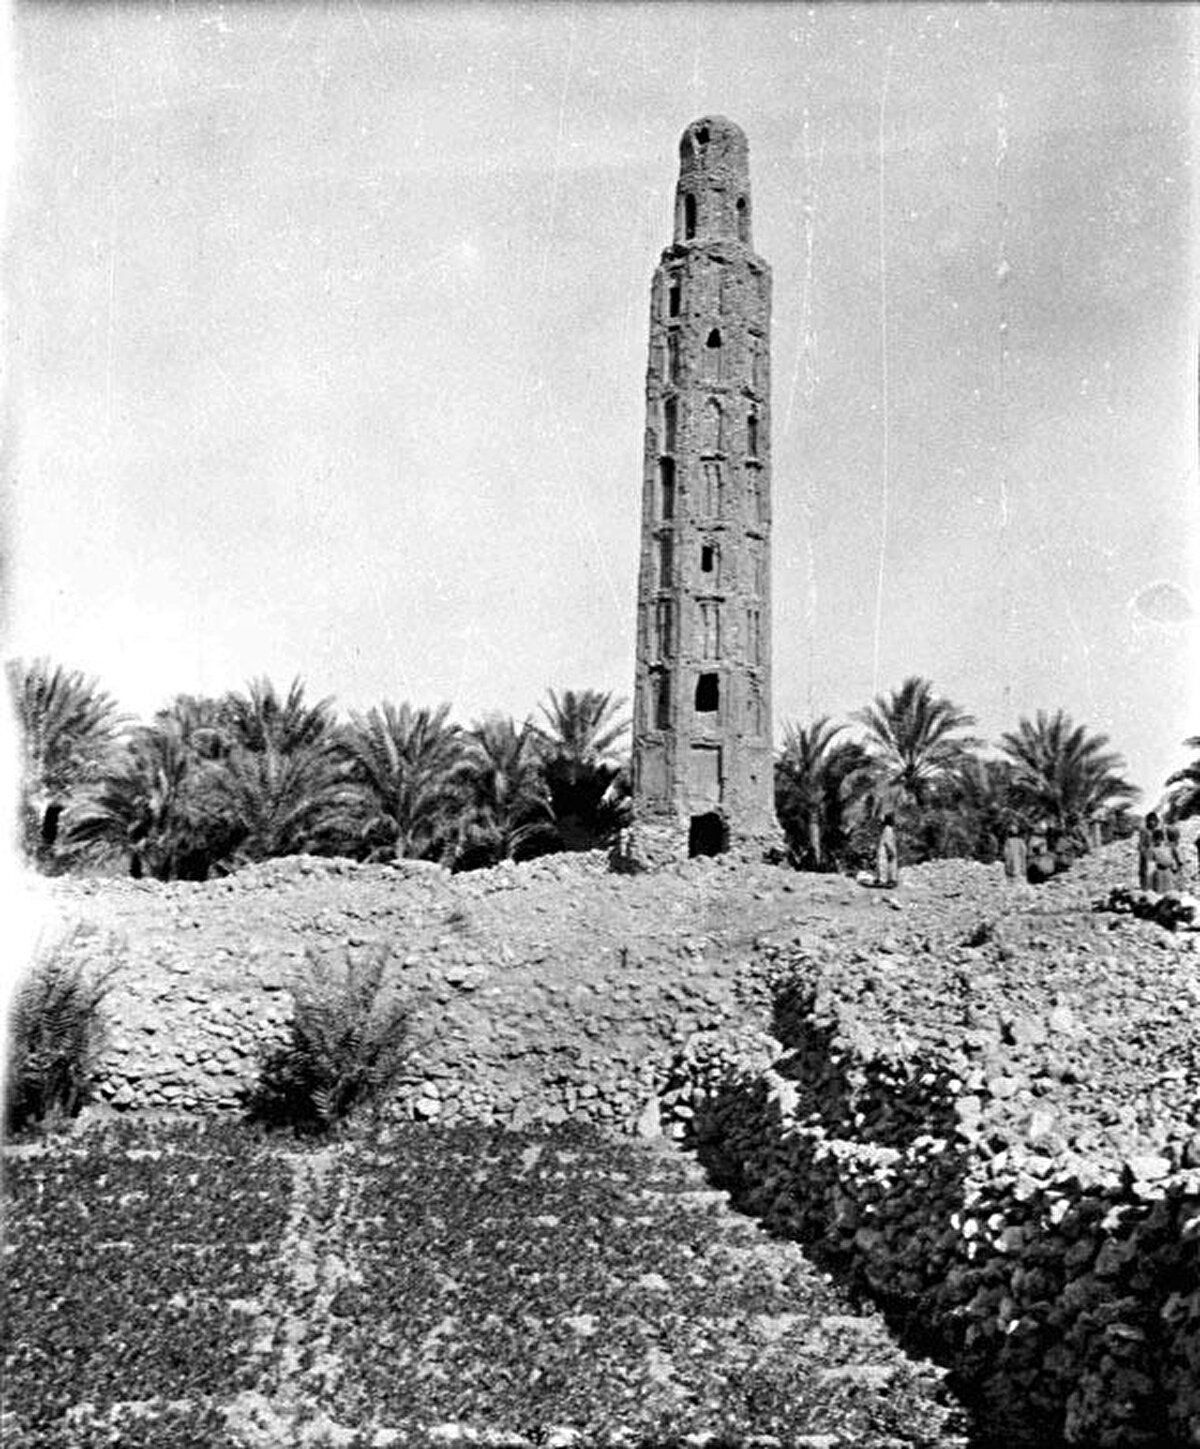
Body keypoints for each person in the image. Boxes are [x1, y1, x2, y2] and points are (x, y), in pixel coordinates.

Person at [1137, 811, 1160, 890]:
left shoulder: (1157, 831)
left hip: (1155, 854)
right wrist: (1144, 854)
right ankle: (1145, 887)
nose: (1152, 822)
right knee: (1145, 872)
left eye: (1154, 820)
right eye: (1150, 820)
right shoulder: (1144, 831)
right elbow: (1141, 845)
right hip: (1147, 855)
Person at [876, 813, 898, 888]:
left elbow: (888, 841)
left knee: (885, 863)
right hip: (886, 849)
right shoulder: (888, 829)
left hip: (886, 849)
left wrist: (891, 850)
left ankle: (886, 879)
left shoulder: (887, 829)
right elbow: (888, 841)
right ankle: (887, 879)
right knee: (885, 864)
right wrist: (891, 850)